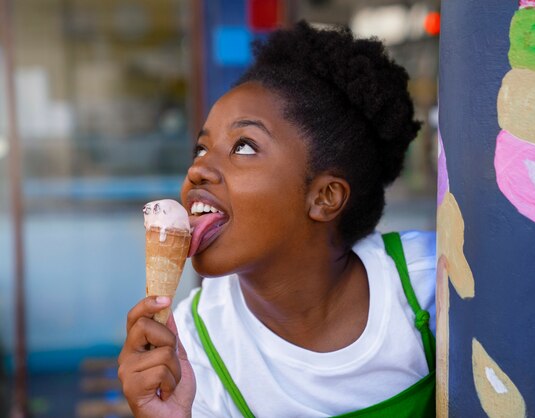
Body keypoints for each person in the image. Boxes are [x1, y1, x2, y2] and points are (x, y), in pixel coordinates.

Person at [118, 21, 436, 418]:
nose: (199, 169)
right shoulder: (193, 347)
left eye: (244, 147)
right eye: (201, 148)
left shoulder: (429, 285)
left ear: (324, 197)